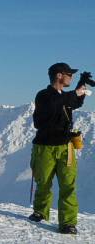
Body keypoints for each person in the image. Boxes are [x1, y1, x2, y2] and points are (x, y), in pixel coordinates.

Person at [29, 62, 88, 234]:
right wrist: (74, 93)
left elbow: (75, 102)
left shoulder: (64, 96)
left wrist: (81, 86)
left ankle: (68, 223)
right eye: (70, 74)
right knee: (44, 182)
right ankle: (40, 211)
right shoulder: (44, 95)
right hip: (45, 147)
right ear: (59, 75)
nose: (71, 77)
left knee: (68, 185)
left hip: (66, 147)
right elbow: (55, 103)